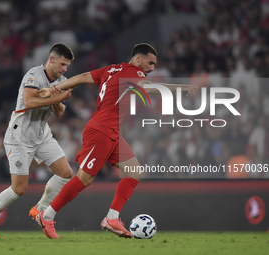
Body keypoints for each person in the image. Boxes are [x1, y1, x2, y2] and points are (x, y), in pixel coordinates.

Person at [36, 43, 198, 239]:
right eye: (150, 63)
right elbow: (152, 88)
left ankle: (112, 218)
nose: (152, 68)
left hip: (112, 132)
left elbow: (80, 78)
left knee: (134, 171)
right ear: (138, 59)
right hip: (101, 131)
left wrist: (54, 87)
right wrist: (182, 88)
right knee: (84, 178)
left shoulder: (111, 70)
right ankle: (47, 215)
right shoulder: (132, 73)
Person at [0, 43, 75, 239]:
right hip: (19, 137)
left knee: (66, 174)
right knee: (19, 189)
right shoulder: (33, 75)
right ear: (51, 60)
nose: (64, 69)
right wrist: (52, 95)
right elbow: (30, 101)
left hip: (41, 134)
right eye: (62, 64)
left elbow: (60, 113)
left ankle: (40, 210)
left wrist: (56, 98)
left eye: (67, 66)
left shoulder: (63, 80)